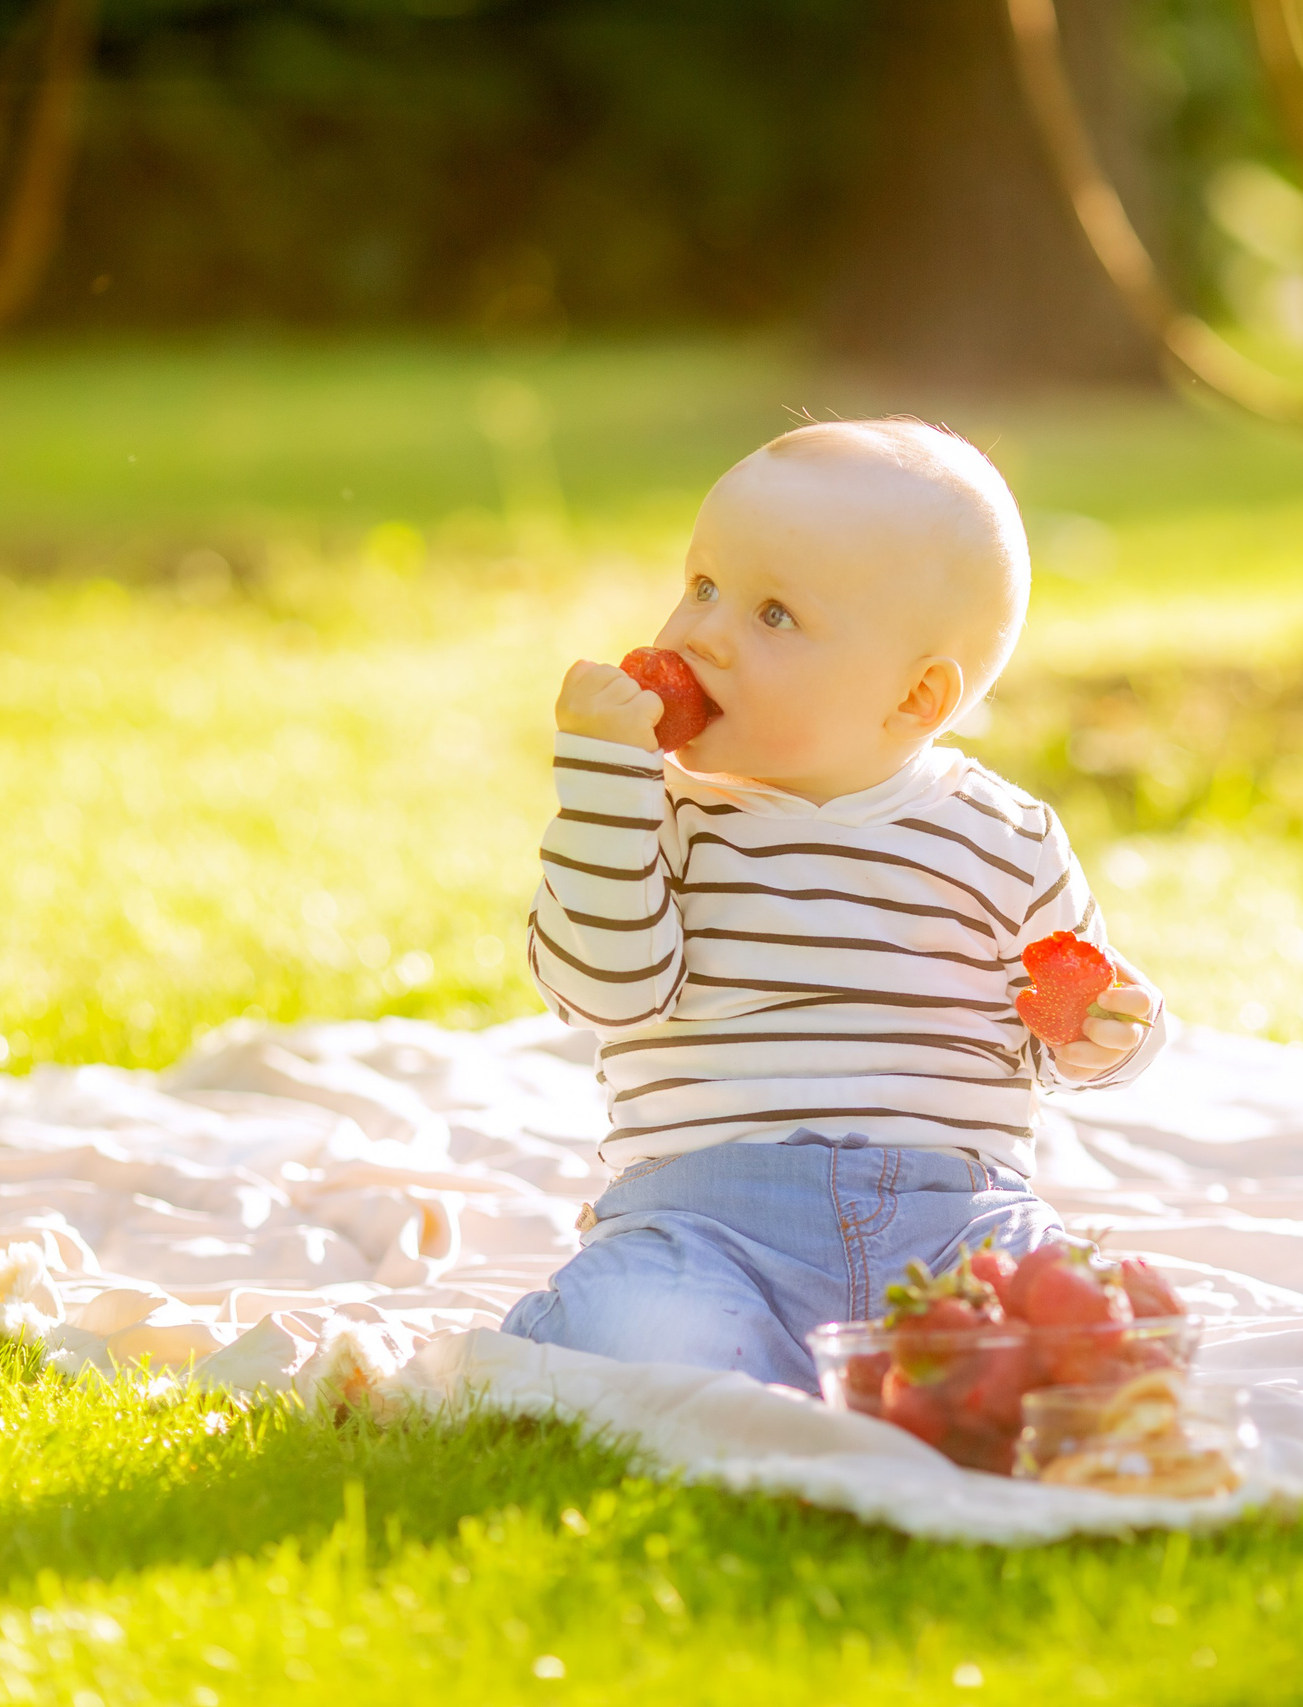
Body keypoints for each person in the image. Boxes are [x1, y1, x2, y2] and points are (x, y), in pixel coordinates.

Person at [500, 418, 1166, 1389]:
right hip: (706, 1222)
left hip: (955, 1218)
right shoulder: (659, 816)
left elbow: (1063, 1025)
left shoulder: (1006, 835)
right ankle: (722, 1367)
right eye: (702, 586)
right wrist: (603, 779)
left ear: (915, 701)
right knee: (658, 1343)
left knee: (1081, 1331)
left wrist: (1112, 1033)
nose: (699, 636)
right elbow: (608, 989)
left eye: (772, 616)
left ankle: (937, 1378)